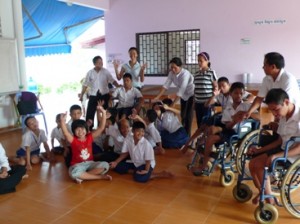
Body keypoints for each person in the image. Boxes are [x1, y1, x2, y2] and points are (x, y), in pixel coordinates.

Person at [192, 82, 260, 174]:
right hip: (230, 131)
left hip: (243, 133)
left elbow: (259, 117)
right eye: (236, 93)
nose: (239, 95)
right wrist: (234, 121)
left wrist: (247, 114)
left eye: (241, 93)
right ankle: (204, 164)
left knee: (213, 134)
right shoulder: (228, 108)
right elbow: (227, 126)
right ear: (231, 94)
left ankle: (207, 162)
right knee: (210, 138)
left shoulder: (247, 106)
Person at [248, 88, 300, 205]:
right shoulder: (283, 116)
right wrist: (259, 150)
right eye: (271, 111)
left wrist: (276, 156)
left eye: (276, 110)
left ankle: (268, 198)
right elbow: (280, 140)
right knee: (252, 164)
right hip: (284, 149)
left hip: (295, 155)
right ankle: (264, 192)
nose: (274, 114)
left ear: (286, 102)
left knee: (261, 165)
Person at [60, 103, 112, 184]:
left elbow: (101, 127)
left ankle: (83, 176)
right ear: (74, 132)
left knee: (105, 165)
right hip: (77, 165)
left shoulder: (89, 137)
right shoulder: (73, 140)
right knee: (74, 172)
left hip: (90, 163)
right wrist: (62, 121)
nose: (80, 132)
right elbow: (66, 133)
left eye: (82, 129)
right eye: (78, 130)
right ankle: (99, 177)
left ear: (86, 129)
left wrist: (103, 113)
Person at [244, 52, 300, 119]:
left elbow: (285, 103)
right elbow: (259, 98)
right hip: (279, 113)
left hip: (293, 114)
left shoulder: (288, 79)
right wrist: (249, 112)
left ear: (273, 66)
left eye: (265, 65)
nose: (263, 67)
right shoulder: (266, 79)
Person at [153, 57, 194, 136]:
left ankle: (188, 136)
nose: (173, 70)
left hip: (191, 94)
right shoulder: (171, 73)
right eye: (171, 67)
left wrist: (172, 106)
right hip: (183, 95)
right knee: (183, 115)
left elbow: (181, 91)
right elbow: (165, 86)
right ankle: (184, 133)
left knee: (188, 116)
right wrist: (157, 97)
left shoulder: (185, 74)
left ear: (180, 67)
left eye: (175, 68)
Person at [80, 56, 120, 128]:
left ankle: (104, 128)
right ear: (94, 64)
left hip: (104, 95)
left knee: (105, 113)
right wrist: (81, 95)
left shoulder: (105, 71)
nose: (101, 64)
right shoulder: (90, 72)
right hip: (93, 95)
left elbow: (112, 80)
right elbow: (85, 84)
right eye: (99, 62)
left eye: (101, 62)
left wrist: (118, 86)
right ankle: (89, 129)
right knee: (90, 113)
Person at [193, 52, 218, 128]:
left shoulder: (211, 72)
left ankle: (207, 139)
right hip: (198, 103)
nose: (199, 63)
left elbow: (216, 88)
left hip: (207, 103)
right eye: (198, 61)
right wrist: (194, 102)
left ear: (207, 61)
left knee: (207, 123)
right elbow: (196, 89)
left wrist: (212, 101)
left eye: (201, 61)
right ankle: (201, 138)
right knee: (199, 123)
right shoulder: (196, 74)